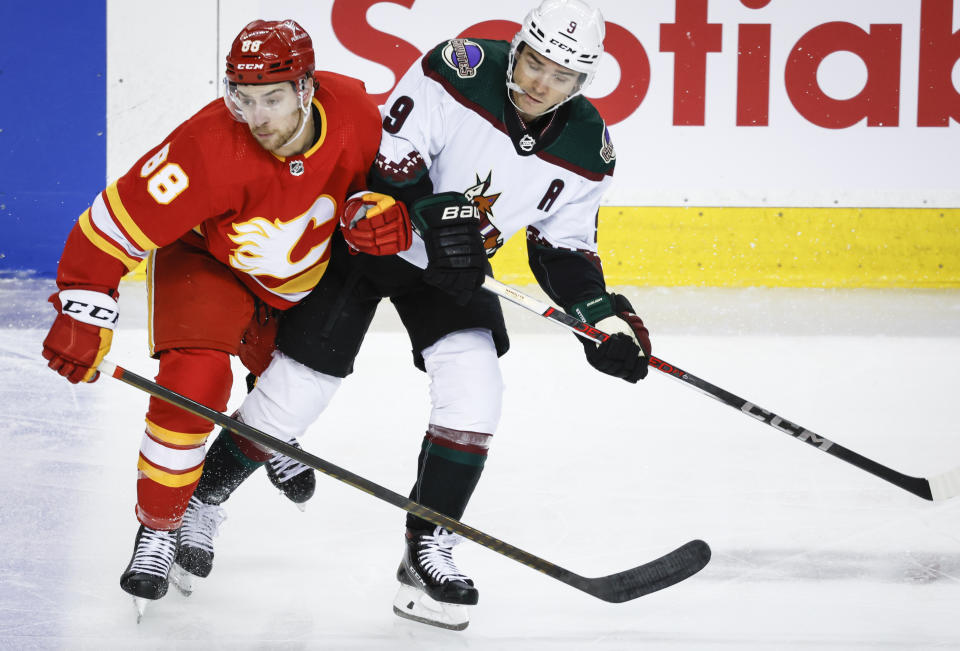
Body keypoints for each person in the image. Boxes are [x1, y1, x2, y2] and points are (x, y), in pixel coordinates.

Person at [176, 0, 651, 630]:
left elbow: (563, 247)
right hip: (375, 235)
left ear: (582, 82)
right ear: (518, 48)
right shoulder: (461, 68)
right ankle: (199, 501)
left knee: (476, 390)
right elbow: (392, 160)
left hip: (451, 274)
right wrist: (436, 215)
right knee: (295, 395)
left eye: (561, 76)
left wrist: (600, 317)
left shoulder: (590, 147)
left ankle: (427, 546)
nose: (540, 83)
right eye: (534, 62)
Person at [39, 19, 410, 614]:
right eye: (241, 96)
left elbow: (409, 186)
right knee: (196, 382)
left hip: (297, 275)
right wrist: (84, 306)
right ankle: (159, 526)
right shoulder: (207, 147)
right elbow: (109, 226)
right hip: (207, 261)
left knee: (290, 385)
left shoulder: (362, 117)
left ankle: (269, 437)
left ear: (307, 89)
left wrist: (392, 212)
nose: (256, 116)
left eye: (272, 98)